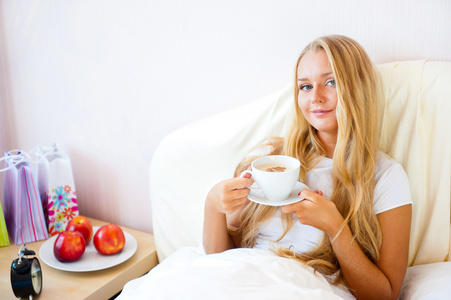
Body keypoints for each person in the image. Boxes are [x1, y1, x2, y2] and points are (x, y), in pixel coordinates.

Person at [202, 35, 412, 300]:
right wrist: (212, 206)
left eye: (331, 82)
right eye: (305, 86)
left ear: (358, 88)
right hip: (243, 284)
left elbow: (386, 294)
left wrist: (336, 228)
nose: (316, 97)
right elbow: (221, 261)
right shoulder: (270, 160)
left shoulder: (386, 177)